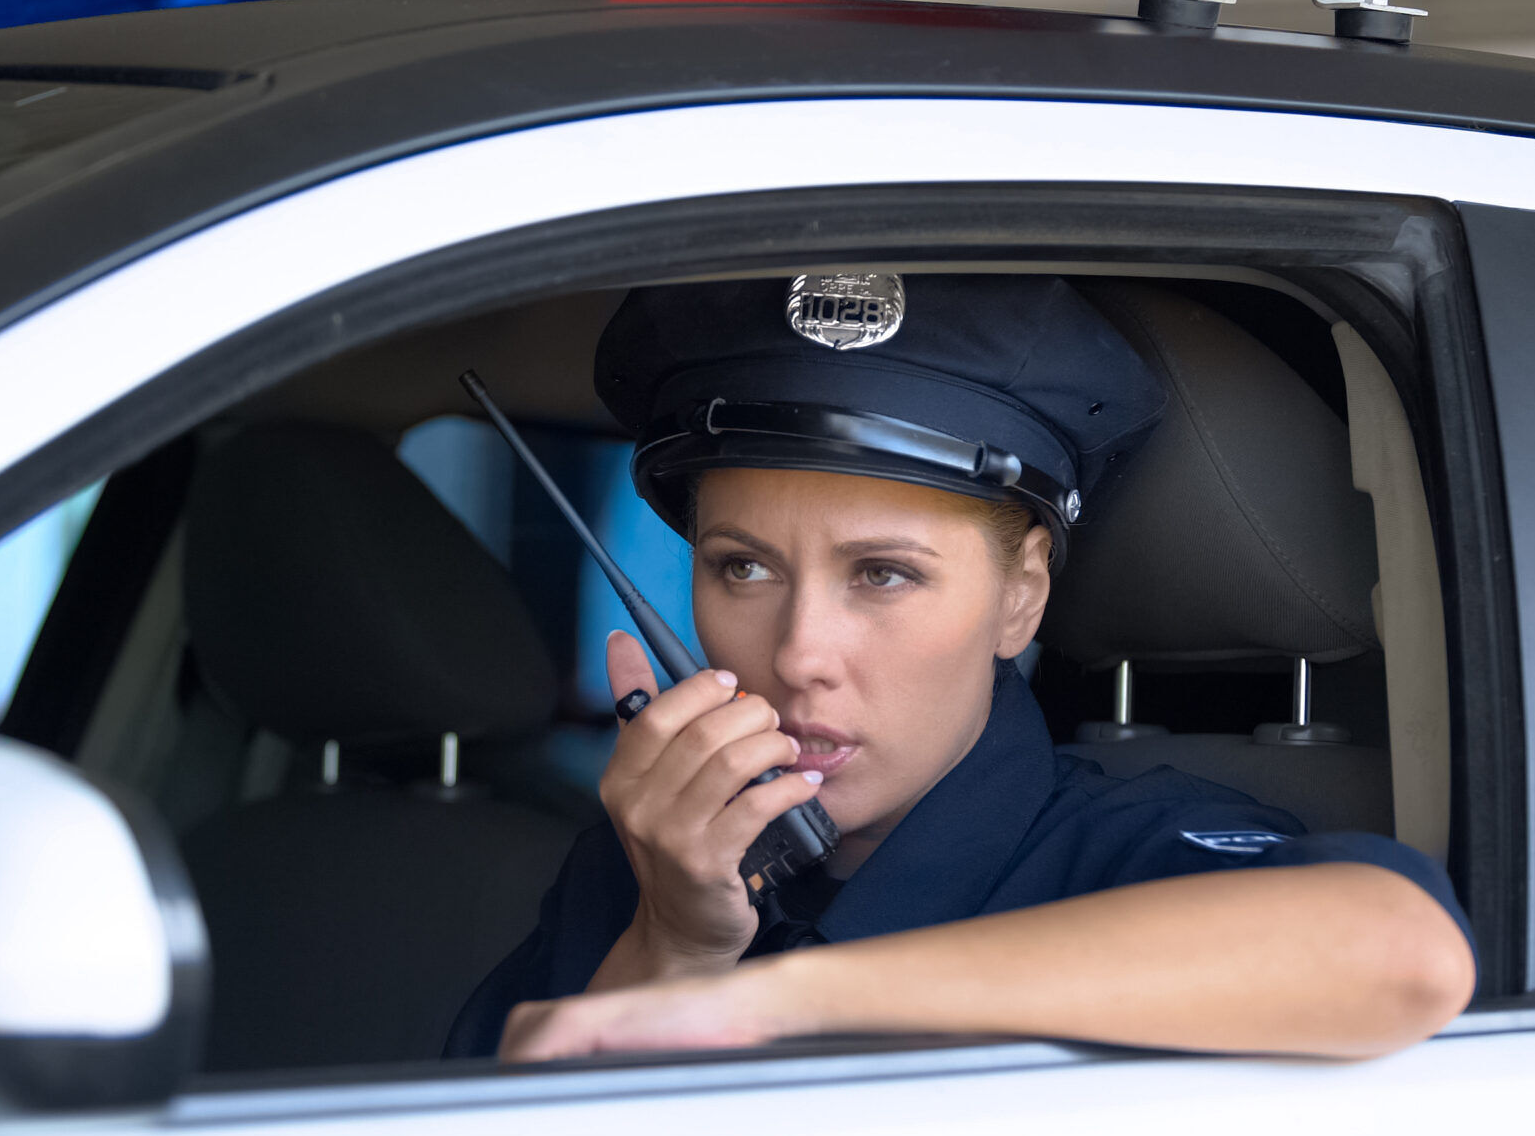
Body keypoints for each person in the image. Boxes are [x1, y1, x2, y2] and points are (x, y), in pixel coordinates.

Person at [445, 274, 1475, 1063]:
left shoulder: (1126, 854)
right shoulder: (651, 863)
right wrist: (670, 945)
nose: (801, 655)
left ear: (1019, 595)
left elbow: (1399, 953)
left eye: (884, 575)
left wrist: (762, 1002)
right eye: (743, 566)